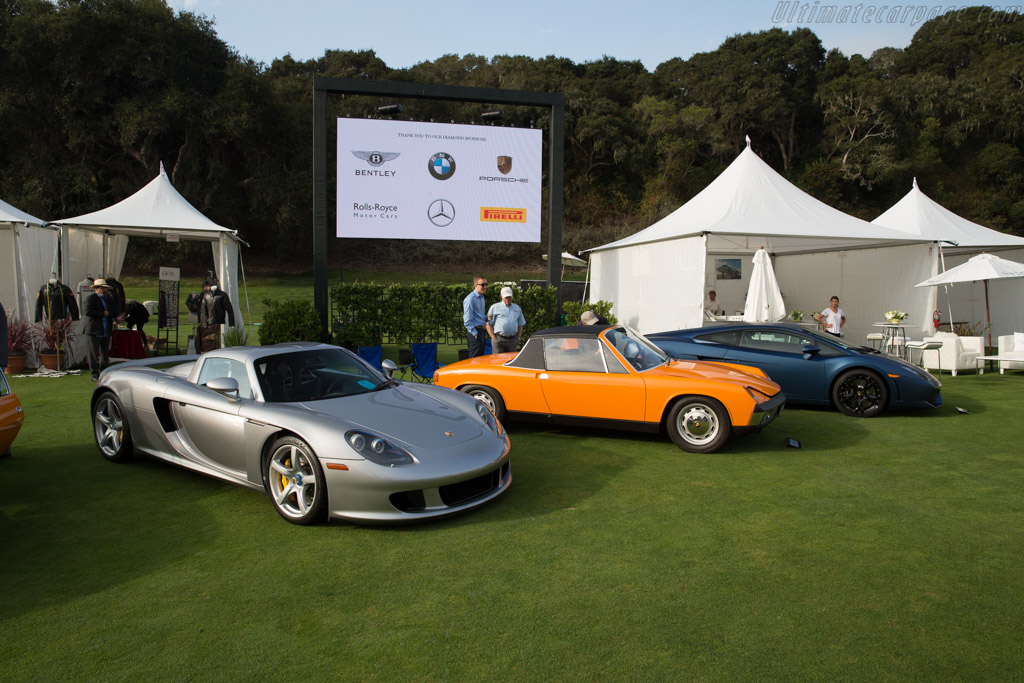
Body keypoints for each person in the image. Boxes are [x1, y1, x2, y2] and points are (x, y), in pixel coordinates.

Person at [84, 278, 114, 381]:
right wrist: (102, 313)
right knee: (93, 353)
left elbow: (111, 312)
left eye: (105, 288)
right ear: (96, 289)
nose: (105, 290)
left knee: (104, 353)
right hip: (94, 330)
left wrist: (116, 317)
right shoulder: (90, 299)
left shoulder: (108, 299)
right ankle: (94, 374)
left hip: (105, 329)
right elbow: (88, 311)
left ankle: (104, 372)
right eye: (102, 288)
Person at [487, 287, 526, 353]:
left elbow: (520, 324)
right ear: (501, 296)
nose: (508, 299)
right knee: (497, 361)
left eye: (509, 297)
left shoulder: (517, 308)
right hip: (499, 340)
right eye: (506, 297)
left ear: (512, 296)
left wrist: (518, 337)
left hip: (512, 340)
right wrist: (493, 338)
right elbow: (488, 324)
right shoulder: (494, 307)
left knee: (511, 361)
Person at [463, 276, 488, 357]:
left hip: (481, 331)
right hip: (475, 332)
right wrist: (474, 333)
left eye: (486, 284)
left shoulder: (481, 298)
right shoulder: (470, 299)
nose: (485, 287)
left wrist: (487, 318)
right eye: (483, 285)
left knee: (480, 359)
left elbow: (479, 315)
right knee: (474, 359)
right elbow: (467, 320)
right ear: (475, 286)